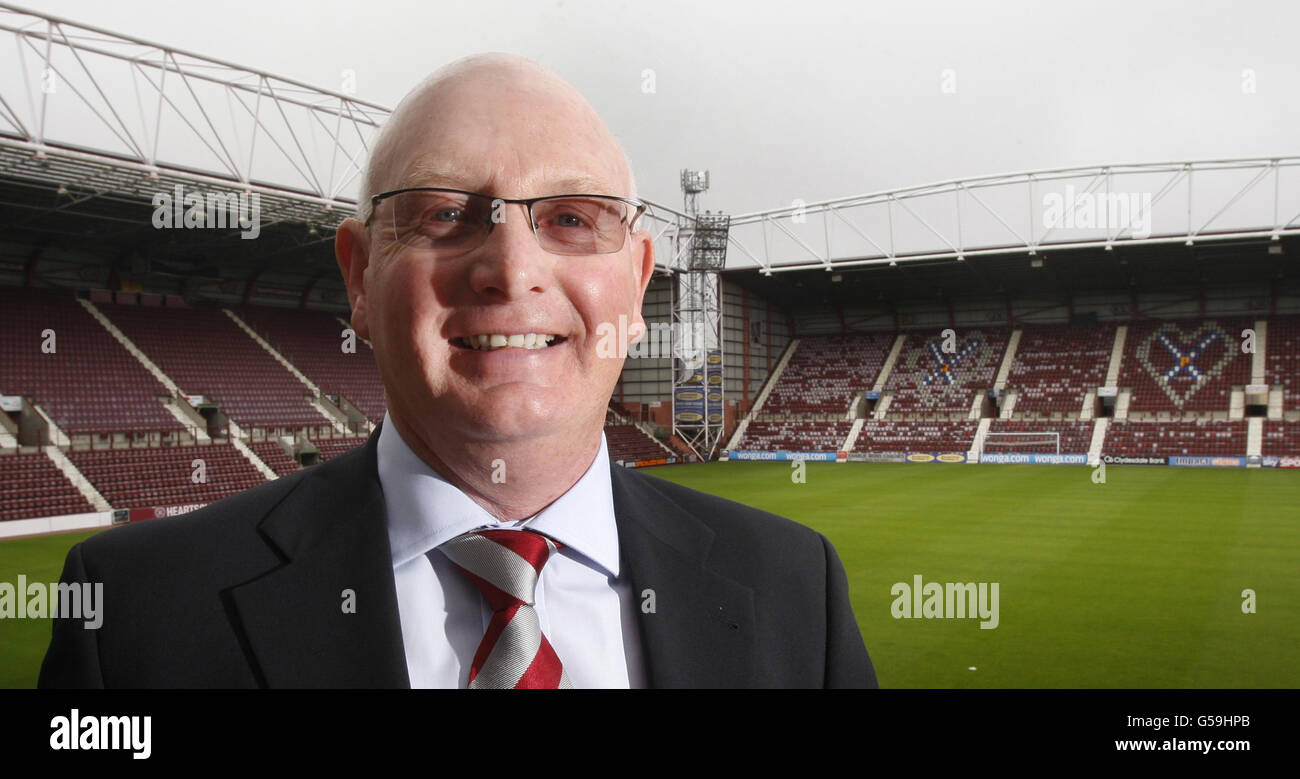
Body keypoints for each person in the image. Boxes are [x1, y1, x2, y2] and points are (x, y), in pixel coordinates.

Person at [39, 54, 876, 688]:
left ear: (639, 275)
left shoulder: (797, 593)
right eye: (444, 213)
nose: (512, 271)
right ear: (359, 276)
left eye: (572, 219)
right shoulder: (137, 617)